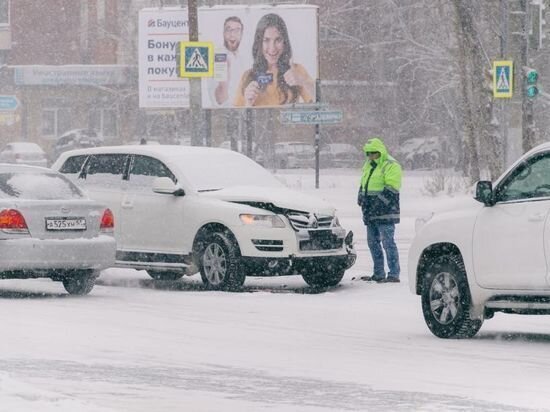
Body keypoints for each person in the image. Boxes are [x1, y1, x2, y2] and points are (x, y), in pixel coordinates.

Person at [234, 13, 314, 107]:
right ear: (259, 43)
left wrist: (302, 81)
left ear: (284, 42)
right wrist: (248, 103)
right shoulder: (247, 77)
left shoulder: (296, 70)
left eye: (278, 40)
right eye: (266, 40)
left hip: (288, 122)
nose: (272, 48)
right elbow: (236, 118)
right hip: (259, 122)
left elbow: (319, 104)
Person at [357, 137, 402, 283]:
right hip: (370, 211)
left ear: (380, 152)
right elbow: (364, 182)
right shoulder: (368, 165)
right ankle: (378, 273)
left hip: (386, 211)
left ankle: (394, 274)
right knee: (372, 242)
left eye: (373, 153)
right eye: (368, 153)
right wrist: (361, 196)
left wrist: (378, 203)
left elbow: (392, 187)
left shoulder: (391, 165)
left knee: (388, 242)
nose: (370, 156)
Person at [207, 16, 246, 107]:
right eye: (229, 30)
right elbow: (220, 100)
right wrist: (225, 73)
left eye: (237, 30)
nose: (232, 34)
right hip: (226, 114)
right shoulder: (220, 56)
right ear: (224, 33)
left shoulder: (242, 58)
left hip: (242, 111)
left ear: (241, 34)